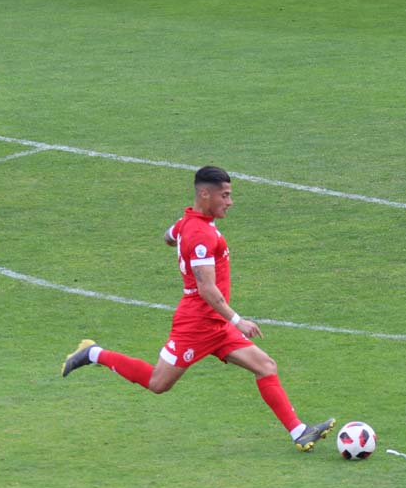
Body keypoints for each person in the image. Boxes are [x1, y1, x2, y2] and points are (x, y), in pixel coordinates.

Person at [61, 165, 336, 451]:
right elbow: (206, 287)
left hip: (215, 323)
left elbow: (168, 236)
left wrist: (183, 240)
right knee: (158, 383)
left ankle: (299, 432)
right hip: (196, 324)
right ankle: (93, 353)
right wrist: (237, 320)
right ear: (205, 194)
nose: (230, 202)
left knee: (265, 366)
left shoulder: (189, 223)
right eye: (225, 195)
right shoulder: (201, 234)